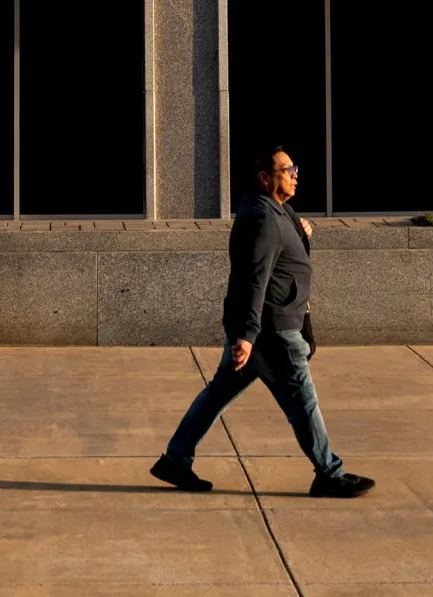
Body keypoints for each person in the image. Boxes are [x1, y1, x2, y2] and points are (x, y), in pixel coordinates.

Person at [150, 147, 374, 498]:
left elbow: (284, 246)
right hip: (273, 331)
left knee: (217, 395)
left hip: (266, 327)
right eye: (288, 170)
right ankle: (329, 473)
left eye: (295, 168)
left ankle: (176, 460)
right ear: (265, 178)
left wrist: (302, 231)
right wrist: (248, 334)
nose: (295, 174)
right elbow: (254, 280)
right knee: (302, 401)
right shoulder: (263, 219)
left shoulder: (274, 209)